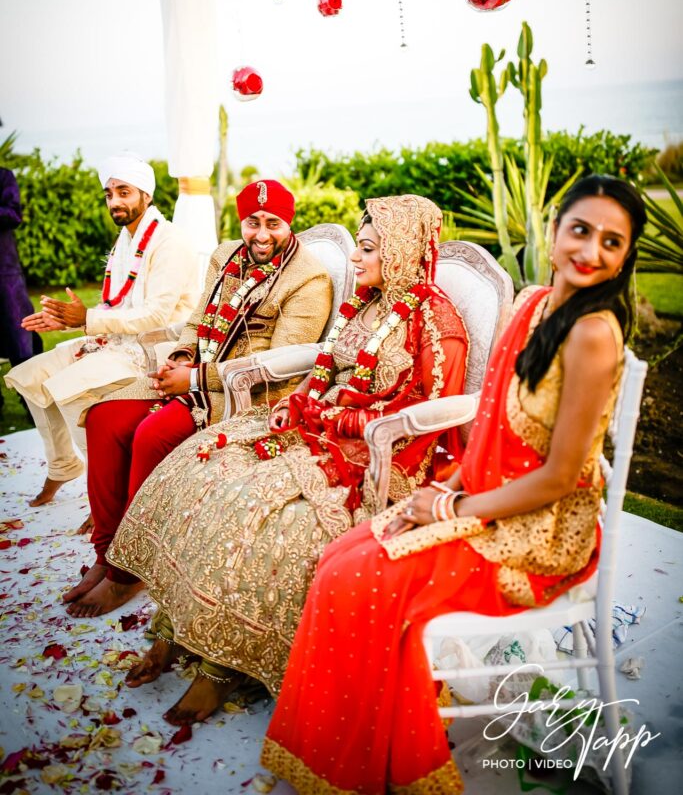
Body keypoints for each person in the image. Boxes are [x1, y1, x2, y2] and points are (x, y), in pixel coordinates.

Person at [261, 174, 647, 795]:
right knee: (337, 556)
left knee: (357, 578)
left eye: (612, 241)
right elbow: (494, 420)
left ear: (624, 257)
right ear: (554, 234)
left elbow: (555, 478)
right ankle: (357, 756)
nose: (592, 250)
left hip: (537, 533)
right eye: (582, 230)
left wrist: (452, 505)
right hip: (482, 497)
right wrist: (446, 494)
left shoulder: (594, 334)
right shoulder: (535, 304)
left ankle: (387, 769)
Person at [108, 194, 470, 727]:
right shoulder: (370, 304)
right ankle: (175, 628)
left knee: (259, 512)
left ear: (399, 252)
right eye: (359, 248)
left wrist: (341, 424)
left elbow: (429, 418)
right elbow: (329, 365)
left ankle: (221, 666)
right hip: (316, 427)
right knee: (203, 469)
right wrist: (302, 401)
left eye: (368, 249)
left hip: (377, 459)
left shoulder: (437, 323)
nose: (356, 261)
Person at [64, 178, 334, 617]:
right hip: (193, 370)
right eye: (252, 222)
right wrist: (181, 354)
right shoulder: (224, 255)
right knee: (104, 418)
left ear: (290, 223)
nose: (261, 234)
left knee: (152, 434)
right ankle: (107, 550)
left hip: (242, 395)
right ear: (241, 221)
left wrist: (194, 378)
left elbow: (282, 364)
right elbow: (198, 317)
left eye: (273, 223)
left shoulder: (310, 278)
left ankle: (128, 574)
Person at [5, 153, 199, 515]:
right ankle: (64, 466)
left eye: (123, 191)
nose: (114, 202)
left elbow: (156, 313)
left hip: (156, 347)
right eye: (109, 193)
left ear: (146, 194)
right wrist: (68, 320)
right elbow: (117, 302)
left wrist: (88, 319)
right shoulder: (126, 241)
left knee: (65, 389)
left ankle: (104, 499)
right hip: (116, 340)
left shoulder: (169, 242)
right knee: (27, 376)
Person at [0, 165, 43, 413]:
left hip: (4, 272)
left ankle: (33, 406)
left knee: (22, 338)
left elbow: (13, 215)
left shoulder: (4, 176)